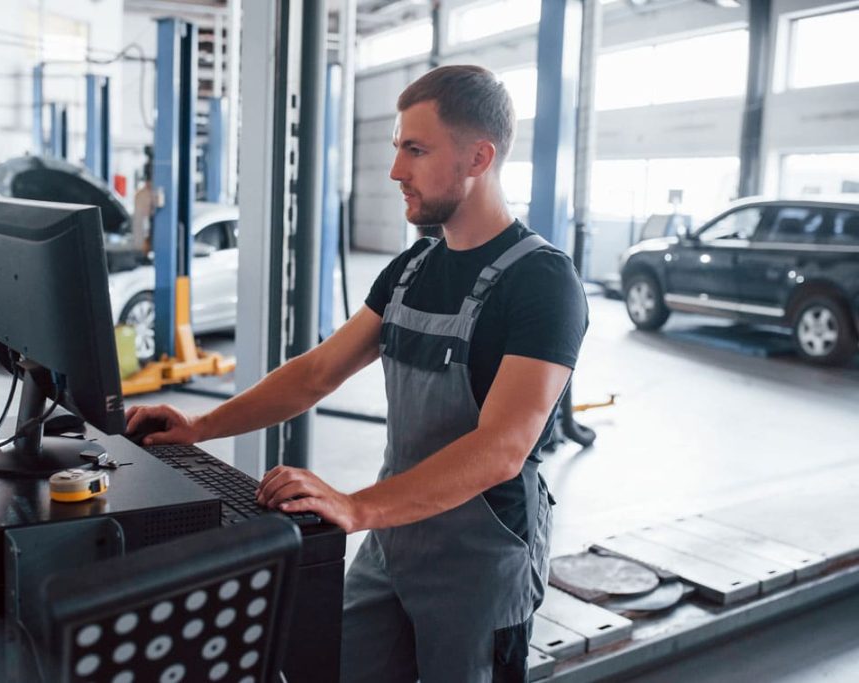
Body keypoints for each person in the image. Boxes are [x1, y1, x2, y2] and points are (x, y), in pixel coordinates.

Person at [125, 64, 588, 683]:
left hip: (479, 560)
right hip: (394, 543)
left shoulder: (542, 282)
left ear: (479, 156)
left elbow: (503, 448)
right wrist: (200, 426)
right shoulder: (412, 268)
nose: (397, 170)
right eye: (398, 148)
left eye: (416, 150)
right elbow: (316, 372)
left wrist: (356, 507)